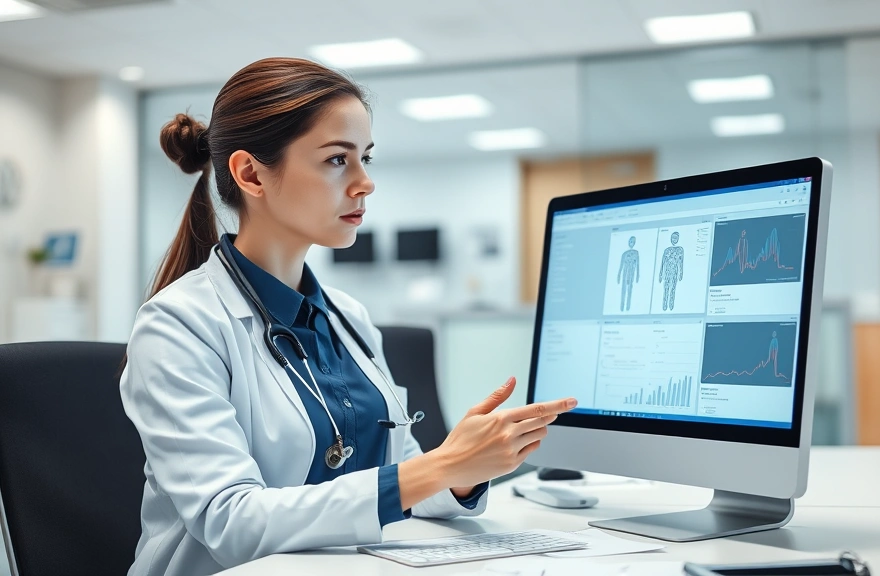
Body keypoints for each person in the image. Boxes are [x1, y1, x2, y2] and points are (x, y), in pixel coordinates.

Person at [119, 57, 577, 576]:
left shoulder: (349, 318)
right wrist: (436, 466)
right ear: (250, 174)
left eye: (366, 158)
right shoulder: (178, 326)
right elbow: (233, 524)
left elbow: (403, 480)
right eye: (338, 160)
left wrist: (461, 471)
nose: (365, 183)